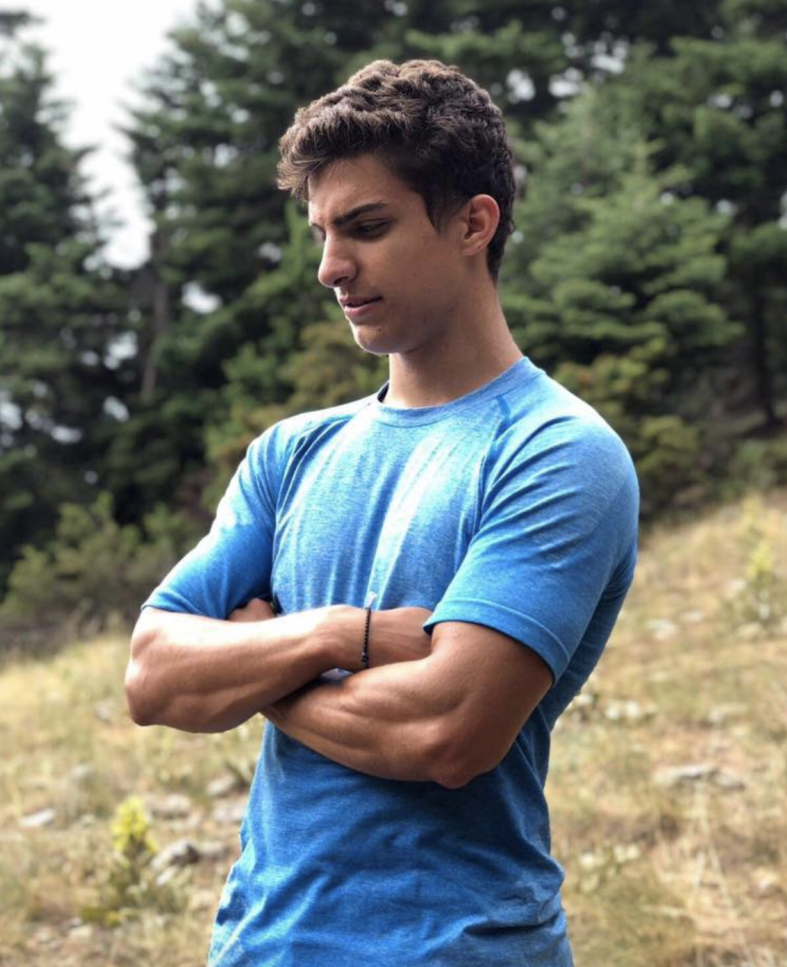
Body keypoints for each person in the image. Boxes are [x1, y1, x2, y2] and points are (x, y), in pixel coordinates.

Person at [126, 59, 639, 967]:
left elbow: (445, 733)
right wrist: (335, 634)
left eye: (367, 227)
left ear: (473, 222)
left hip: (461, 948)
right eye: (322, 232)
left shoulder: (559, 451)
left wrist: (261, 672)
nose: (331, 267)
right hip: (261, 944)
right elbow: (155, 675)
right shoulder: (291, 453)